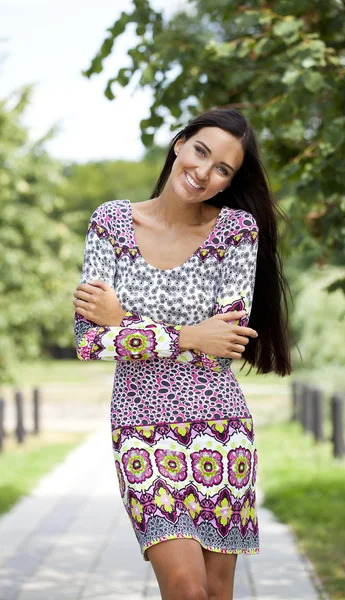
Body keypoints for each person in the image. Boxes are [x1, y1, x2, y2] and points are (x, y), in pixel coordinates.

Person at [73, 108, 292, 600]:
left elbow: (226, 341)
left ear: (229, 181)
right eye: (200, 151)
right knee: (186, 589)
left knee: (217, 592)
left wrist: (124, 322)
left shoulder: (236, 231)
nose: (204, 172)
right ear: (180, 144)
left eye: (223, 169)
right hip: (140, 428)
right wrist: (190, 337)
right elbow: (89, 342)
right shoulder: (110, 222)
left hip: (220, 427)